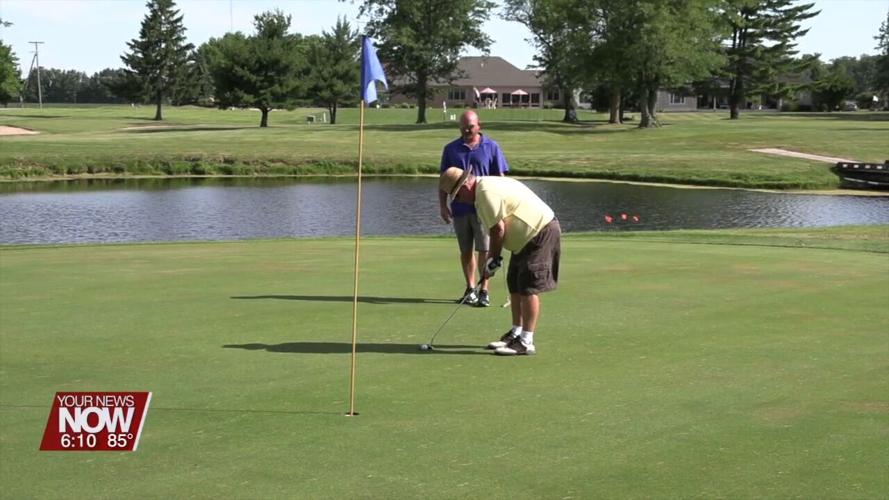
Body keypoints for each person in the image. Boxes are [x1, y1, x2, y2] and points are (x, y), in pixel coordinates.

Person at [438, 167, 561, 356]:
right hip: (524, 239)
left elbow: (498, 230)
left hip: (539, 231)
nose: (458, 200)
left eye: (456, 195)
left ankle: (526, 341)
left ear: (465, 186)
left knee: (528, 287)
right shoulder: (482, 189)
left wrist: (493, 260)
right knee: (514, 283)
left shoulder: (485, 192)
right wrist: (492, 261)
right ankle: (516, 333)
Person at [438, 110, 509, 307]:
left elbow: (500, 178)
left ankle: (484, 289)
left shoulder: (491, 147)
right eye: (463, 127)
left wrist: (503, 204)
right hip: (460, 207)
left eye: (470, 126)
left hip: (485, 207)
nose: (466, 130)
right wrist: (443, 206)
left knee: (485, 249)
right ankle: (470, 289)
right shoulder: (451, 149)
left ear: (479, 125)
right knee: (465, 250)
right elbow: (444, 181)